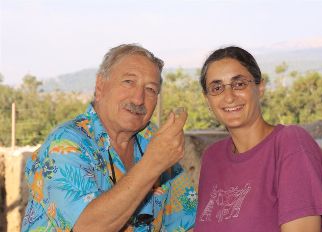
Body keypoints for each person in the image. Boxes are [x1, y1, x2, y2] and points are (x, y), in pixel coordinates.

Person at [22, 44, 197, 232]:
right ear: (100, 86)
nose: (138, 99)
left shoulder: (151, 140)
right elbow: (88, 227)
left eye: (151, 89)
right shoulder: (65, 143)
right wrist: (153, 164)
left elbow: (188, 220)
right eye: (129, 82)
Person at [195, 46, 322, 232]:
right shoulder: (213, 157)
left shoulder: (289, 144)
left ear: (260, 87)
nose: (229, 97)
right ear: (207, 99)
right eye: (217, 87)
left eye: (239, 84)